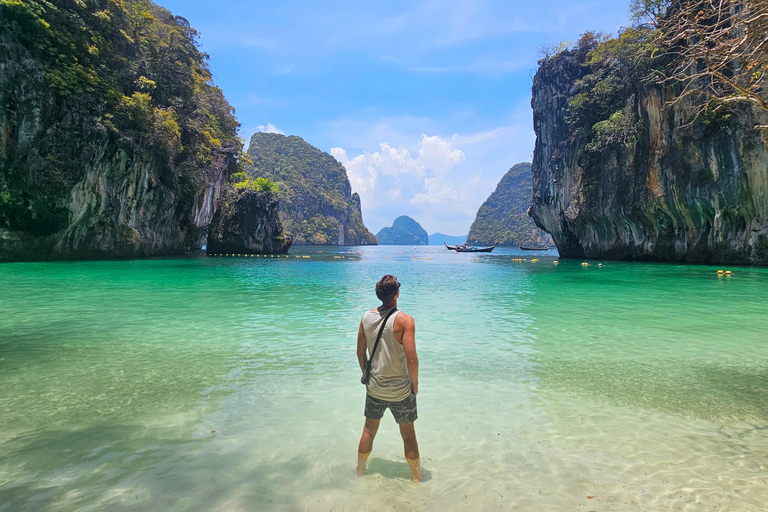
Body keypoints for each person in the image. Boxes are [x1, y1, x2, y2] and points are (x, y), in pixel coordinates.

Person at [356, 274, 421, 482]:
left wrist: (367, 374)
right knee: (408, 435)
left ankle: (359, 471)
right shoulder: (405, 320)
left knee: (369, 430)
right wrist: (415, 384)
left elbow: (360, 353)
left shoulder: (366, 317)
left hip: (375, 388)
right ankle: (416, 478)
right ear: (397, 293)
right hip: (401, 390)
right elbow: (412, 360)